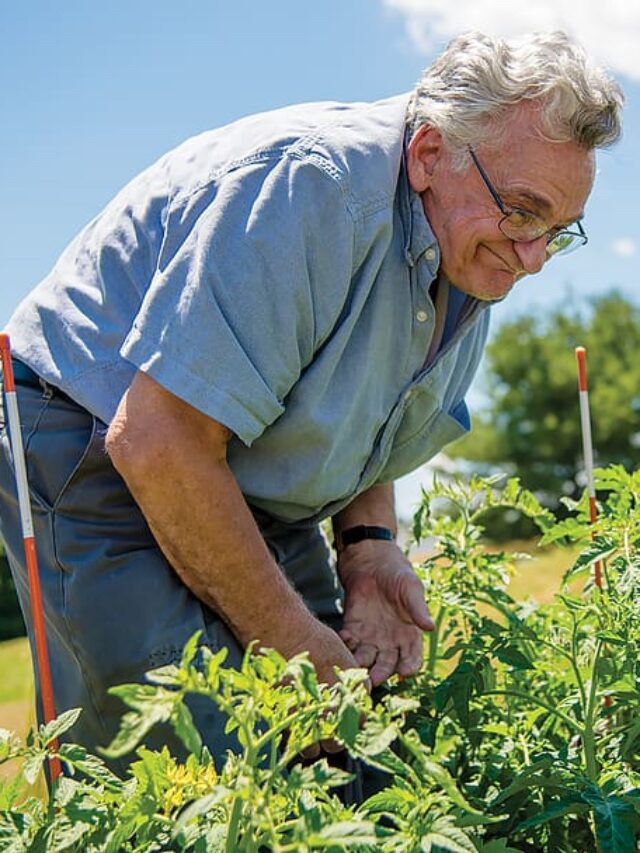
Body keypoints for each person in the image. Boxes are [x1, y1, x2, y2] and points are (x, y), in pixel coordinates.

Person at [0, 31, 623, 783]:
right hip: (96, 435)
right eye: (523, 213)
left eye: (559, 231)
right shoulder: (313, 191)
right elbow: (158, 437)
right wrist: (289, 640)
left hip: (236, 462)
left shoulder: (472, 242)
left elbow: (361, 409)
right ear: (429, 153)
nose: (532, 258)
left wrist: (367, 547)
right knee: (199, 758)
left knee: (351, 751)